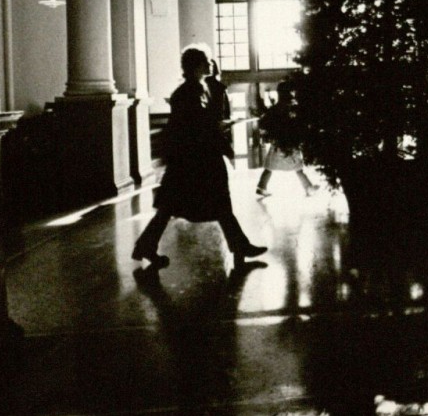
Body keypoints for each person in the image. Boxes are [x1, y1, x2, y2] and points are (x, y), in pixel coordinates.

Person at [132, 44, 266, 269]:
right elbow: (194, 127)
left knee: (173, 207)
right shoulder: (190, 92)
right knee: (215, 203)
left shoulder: (193, 90)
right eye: (205, 60)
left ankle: (146, 246)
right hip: (196, 161)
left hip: (192, 160)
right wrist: (217, 129)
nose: (209, 64)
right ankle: (239, 247)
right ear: (196, 65)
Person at [255, 81, 319, 197]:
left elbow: (265, 123)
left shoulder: (275, 109)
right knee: (298, 168)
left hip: (278, 143)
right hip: (289, 142)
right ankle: (308, 188)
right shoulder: (291, 109)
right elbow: (298, 125)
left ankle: (261, 186)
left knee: (269, 167)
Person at [205, 58, 234, 159]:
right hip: (216, 126)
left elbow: (224, 109)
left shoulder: (219, 88)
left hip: (213, 127)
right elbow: (225, 111)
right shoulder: (219, 87)